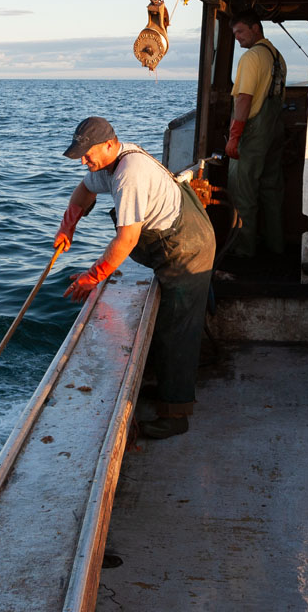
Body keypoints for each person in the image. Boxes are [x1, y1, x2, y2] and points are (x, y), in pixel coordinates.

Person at [54, 116, 215, 439]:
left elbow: (126, 240)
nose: (84, 162)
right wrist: (67, 225)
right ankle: (174, 382)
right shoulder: (109, 163)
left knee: (176, 329)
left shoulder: (129, 174)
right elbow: (85, 191)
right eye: (80, 156)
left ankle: (175, 414)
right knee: (174, 321)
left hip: (187, 247)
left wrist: (92, 277)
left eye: (87, 154)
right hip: (175, 239)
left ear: (109, 145)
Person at [225, 11, 286, 261]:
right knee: (271, 190)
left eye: (240, 31)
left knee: (242, 191)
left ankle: (244, 251)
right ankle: (276, 247)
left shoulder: (251, 57)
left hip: (252, 134)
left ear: (255, 28)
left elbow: (244, 99)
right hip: (273, 132)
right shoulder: (277, 57)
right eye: (234, 33)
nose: (237, 38)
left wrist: (234, 137)